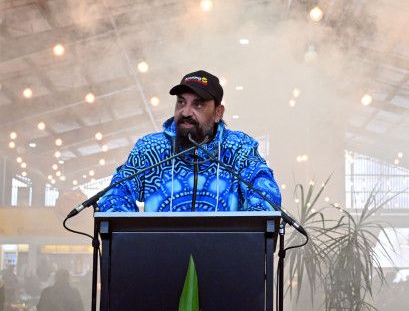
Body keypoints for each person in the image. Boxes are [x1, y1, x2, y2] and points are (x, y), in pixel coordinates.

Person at [97, 70, 281, 212]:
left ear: (218, 113)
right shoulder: (150, 148)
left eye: (198, 104)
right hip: (158, 258)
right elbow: (116, 193)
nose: (185, 112)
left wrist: (244, 239)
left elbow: (265, 193)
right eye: (181, 102)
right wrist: (135, 239)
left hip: (224, 258)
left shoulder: (239, 148)